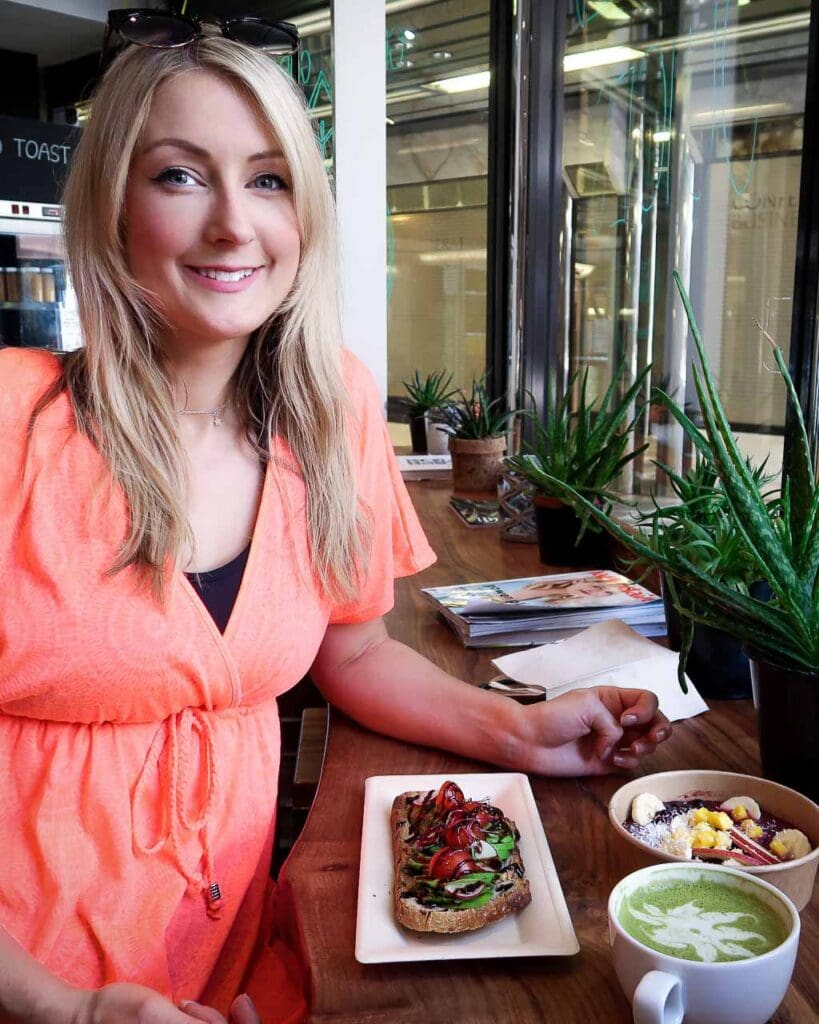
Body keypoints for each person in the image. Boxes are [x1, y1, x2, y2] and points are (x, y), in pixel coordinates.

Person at [0, 24, 672, 1024]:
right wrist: (70, 1007)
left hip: (238, 966)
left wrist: (521, 732)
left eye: (269, 180)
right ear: (111, 205)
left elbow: (351, 651)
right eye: (182, 176)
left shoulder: (331, 410)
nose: (235, 224)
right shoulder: (15, 419)